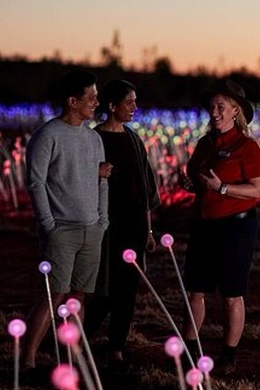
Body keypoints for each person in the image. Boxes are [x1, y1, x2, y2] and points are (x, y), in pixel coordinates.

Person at [20, 70, 110, 382]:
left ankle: (73, 359)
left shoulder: (94, 138)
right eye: (91, 98)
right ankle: (28, 360)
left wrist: (102, 219)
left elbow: (101, 181)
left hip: (92, 228)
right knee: (53, 294)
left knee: (79, 296)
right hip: (61, 229)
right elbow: (36, 183)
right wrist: (49, 223)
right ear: (72, 101)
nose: (96, 103)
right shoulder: (48, 136)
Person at [181, 79, 260, 374]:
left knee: (231, 292)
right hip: (204, 224)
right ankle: (190, 349)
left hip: (236, 227)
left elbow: (256, 190)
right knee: (196, 289)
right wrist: (190, 183)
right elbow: (196, 175)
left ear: (235, 111)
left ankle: (228, 356)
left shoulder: (247, 147)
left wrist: (223, 188)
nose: (214, 112)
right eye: (211, 107)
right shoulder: (206, 143)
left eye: (220, 107)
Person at [83, 79, 160, 372]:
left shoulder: (133, 139)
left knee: (128, 288)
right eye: (129, 102)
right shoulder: (94, 140)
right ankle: (79, 339)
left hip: (134, 225)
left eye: (136, 101)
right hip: (104, 225)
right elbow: (80, 178)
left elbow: (144, 188)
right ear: (112, 106)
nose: (135, 108)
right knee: (104, 289)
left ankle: (117, 349)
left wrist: (149, 229)